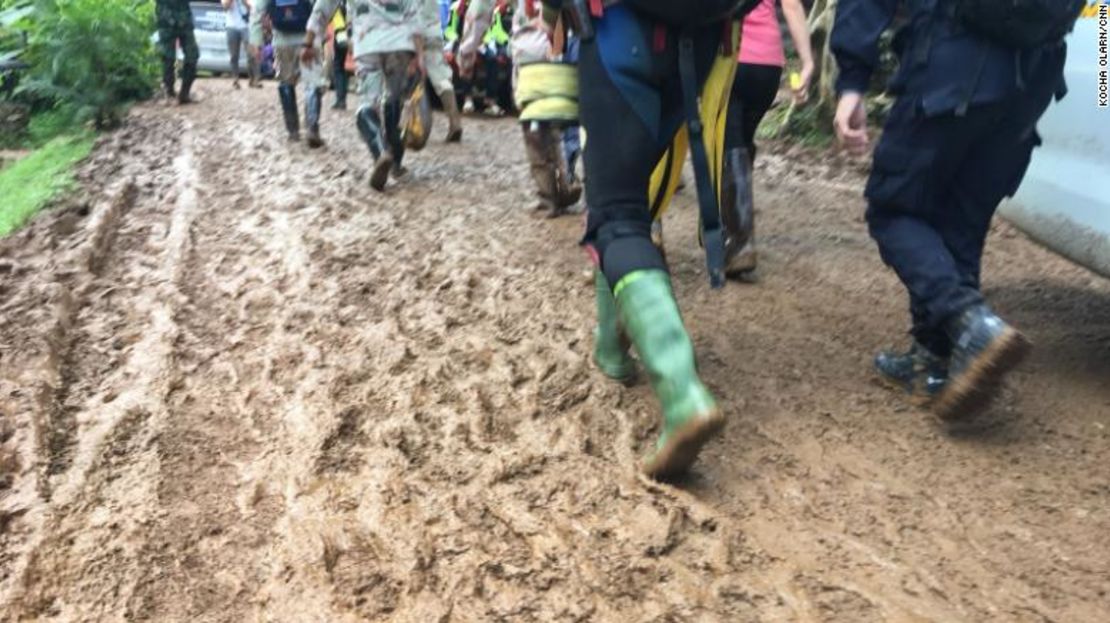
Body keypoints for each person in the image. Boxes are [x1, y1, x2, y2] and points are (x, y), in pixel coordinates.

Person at [831, 0, 1080, 417]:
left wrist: (852, 81)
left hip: (956, 58)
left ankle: (969, 322)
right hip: (1035, 72)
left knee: (894, 209)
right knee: (963, 217)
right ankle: (935, 358)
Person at [720, 0, 814, 274]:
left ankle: (740, 241)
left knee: (729, 143)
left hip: (728, 58)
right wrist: (807, 61)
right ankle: (731, 226)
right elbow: (792, 6)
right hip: (768, 66)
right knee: (741, 141)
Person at [304, 0, 426, 191]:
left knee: (367, 103)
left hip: (367, 41)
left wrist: (309, 41)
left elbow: (323, 8)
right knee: (394, 99)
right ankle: (396, 162)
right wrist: (420, 55)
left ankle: (380, 152)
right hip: (400, 43)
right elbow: (414, 14)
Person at [250, 0, 327, 147]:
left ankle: (293, 131)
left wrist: (256, 39)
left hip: (281, 40)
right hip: (308, 39)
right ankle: (312, 129)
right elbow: (320, 8)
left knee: (285, 82)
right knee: (313, 82)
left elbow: (257, 11)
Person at [420, 0, 464, 141]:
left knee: (411, 79)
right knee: (441, 79)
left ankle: (414, 124)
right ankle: (454, 122)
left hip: (415, 35)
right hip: (435, 33)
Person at [155, 0, 199, 104]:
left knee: (192, 56)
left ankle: (184, 93)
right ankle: (168, 92)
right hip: (166, 21)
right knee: (167, 58)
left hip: (185, 21)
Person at [223, 0, 261, 89]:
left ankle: (254, 79)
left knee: (251, 54)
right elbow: (225, 7)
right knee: (233, 55)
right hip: (231, 26)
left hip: (247, 26)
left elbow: (252, 8)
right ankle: (235, 79)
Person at [328, 2, 350, 109]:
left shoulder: (338, 5)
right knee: (341, 67)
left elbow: (338, 22)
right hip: (351, 33)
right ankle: (341, 98)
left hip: (341, 35)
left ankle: (340, 100)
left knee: (338, 67)